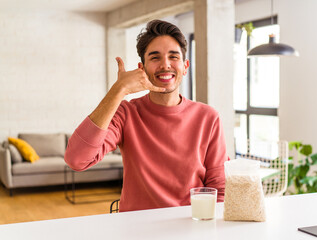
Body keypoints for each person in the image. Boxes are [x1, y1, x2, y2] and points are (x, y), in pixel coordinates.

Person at [64, 19, 228, 212]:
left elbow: (220, 190)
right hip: (136, 228)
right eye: (155, 58)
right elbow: (77, 159)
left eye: (173, 57)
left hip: (190, 225)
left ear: (185, 66)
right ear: (142, 68)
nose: (165, 65)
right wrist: (119, 90)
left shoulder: (208, 117)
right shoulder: (126, 114)